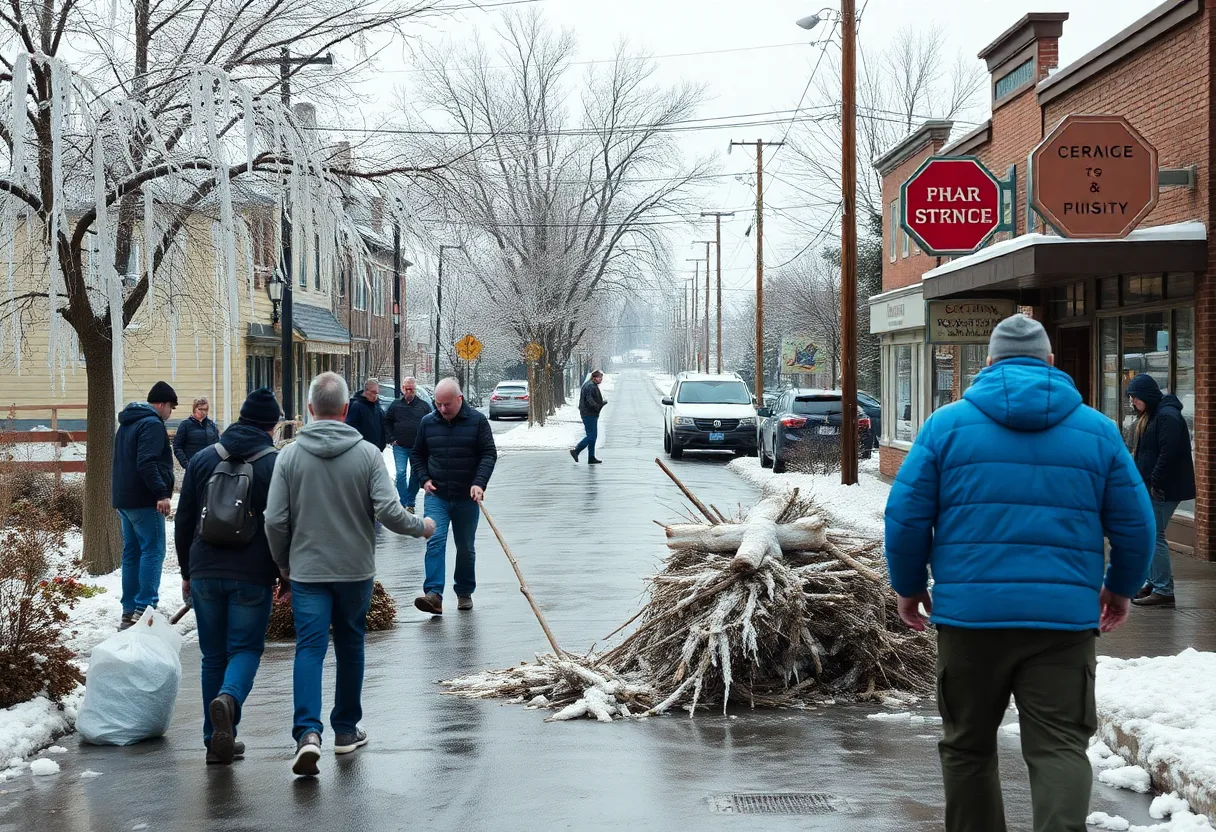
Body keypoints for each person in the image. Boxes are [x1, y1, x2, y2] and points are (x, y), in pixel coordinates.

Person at [883, 315, 1154, 832]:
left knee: (967, 746)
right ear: (1050, 362)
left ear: (988, 363)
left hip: (970, 620)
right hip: (1063, 624)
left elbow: (906, 516)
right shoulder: (1097, 431)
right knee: (1059, 748)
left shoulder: (945, 427)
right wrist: (1120, 589)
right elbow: (1137, 525)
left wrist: (909, 586)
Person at [264, 372, 434, 777]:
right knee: (350, 645)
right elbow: (389, 511)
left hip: (307, 571)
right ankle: (344, 730)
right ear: (345, 409)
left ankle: (307, 733)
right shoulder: (367, 455)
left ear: (310, 409)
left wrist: (283, 566)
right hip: (355, 570)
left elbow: (274, 520)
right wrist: (421, 526)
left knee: (309, 648)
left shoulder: (289, 456)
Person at [174, 388, 283, 765]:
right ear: (271, 426)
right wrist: (283, 572)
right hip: (252, 573)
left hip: (204, 570)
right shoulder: (274, 464)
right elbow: (282, 523)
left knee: (212, 656)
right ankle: (229, 699)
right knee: (246, 649)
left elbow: (184, 518)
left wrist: (187, 571)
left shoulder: (204, 459)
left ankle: (215, 741)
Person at [411, 378, 497, 615]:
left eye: (446, 404)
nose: (442, 409)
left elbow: (488, 454)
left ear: (459, 399)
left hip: (467, 497)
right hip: (437, 495)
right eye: (438, 404)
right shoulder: (428, 422)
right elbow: (417, 455)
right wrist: (424, 479)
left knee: (465, 546)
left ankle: (464, 590)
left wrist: (479, 483)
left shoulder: (477, 421)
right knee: (435, 540)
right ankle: (433, 595)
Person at [111, 381, 178, 630]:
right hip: (145, 500)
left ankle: (129, 611)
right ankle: (144, 609)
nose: (170, 413)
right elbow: (147, 462)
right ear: (161, 404)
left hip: (125, 500)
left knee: (132, 553)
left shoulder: (127, 423)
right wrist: (161, 493)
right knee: (153, 550)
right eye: (171, 407)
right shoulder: (152, 424)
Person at [1126, 373, 1196, 609]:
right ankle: (1153, 582)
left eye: (1135, 398)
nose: (1133, 403)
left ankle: (1163, 590)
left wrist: (1154, 481)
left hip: (1162, 489)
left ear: (1145, 396)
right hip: (1154, 486)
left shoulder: (1167, 416)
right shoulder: (1155, 414)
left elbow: (1169, 454)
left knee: (1153, 536)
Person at [384, 377, 433, 512]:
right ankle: (404, 502)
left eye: (412, 389)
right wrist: (391, 438)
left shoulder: (423, 406)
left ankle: (410, 502)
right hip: (400, 446)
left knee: (415, 475)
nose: (409, 392)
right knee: (400, 473)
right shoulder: (395, 405)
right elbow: (387, 422)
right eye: (407, 389)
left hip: (417, 447)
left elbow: (431, 424)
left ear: (415, 390)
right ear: (403, 389)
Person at [570, 370, 607, 464]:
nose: (601, 379)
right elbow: (590, 400)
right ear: (594, 378)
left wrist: (600, 404)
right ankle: (576, 450)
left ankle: (591, 457)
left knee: (592, 436)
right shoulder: (590, 386)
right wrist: (598, 406)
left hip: (589, 413)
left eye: (601, 378)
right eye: (599, 377)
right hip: (589, 414)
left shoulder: (591, 385)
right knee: (591, 436)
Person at [173, 396, 220, 469]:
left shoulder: (211, 425)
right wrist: (186, 465)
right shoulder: (185, 425)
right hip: (193, 466)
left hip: (209, 466)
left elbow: (217, 445)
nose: (203, 412)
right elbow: (177, 446)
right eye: (200, 409)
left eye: (205, 409)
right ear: (194, 409)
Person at [344, 377, 386, 451]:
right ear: (366, 391)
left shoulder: (377, 407)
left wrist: (382, 444)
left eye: (376, 393)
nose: (375, 396)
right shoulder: (356, 406)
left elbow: (382, 426)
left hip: (376, 449)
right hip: (362, 449)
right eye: (373, 392)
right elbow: (351, 427)